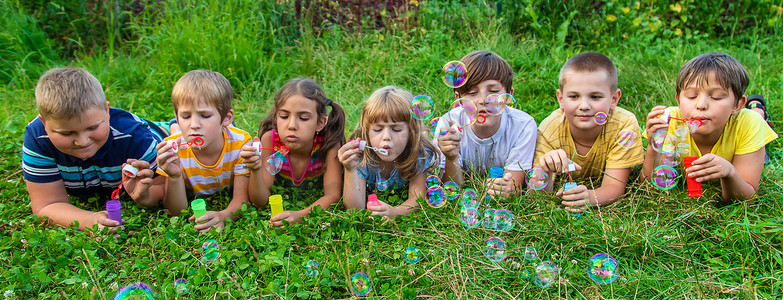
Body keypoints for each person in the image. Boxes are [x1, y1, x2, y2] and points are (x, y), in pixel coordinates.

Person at [23, 67, 165, 231]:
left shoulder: (135, 138)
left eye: (92, 128)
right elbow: (46, 205)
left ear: (107, 111)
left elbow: (163, 189)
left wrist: (145, 196)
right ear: (43, 123)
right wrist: (89, 221)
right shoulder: (38, 139)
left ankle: (172, 127)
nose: (82, 141)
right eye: (66, 133)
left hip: (156, 133)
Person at [642, 52, 777, 201]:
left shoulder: (749, 124)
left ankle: (757, 108)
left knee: (756, 119)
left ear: (737, 105)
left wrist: (730, 173)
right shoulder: (669, 123)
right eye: (692, 96)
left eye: (716, 97)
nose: (701, 105)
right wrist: (653, 145)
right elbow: (649, 187)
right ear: (678, 101)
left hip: (747, 136)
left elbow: (747, 196)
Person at [534, 51, 644, 213]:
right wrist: (545, 169)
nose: (584, 105)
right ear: (560, 99)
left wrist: (589, 197)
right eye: (574, 96)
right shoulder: (550, 128)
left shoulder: (623, 125)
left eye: (595, 97)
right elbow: (536, 193)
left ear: (614, 99)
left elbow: (614, 187)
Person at [155, 69, 252, 232]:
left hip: (228, 135)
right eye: (186, 117)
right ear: (178, 115)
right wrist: (173, 176)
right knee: (177, 136)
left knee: (228, 133)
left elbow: (242, 199)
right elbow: (176, 212)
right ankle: (174, 126)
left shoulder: (241, 144)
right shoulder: (172, 150)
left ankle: (179, 126)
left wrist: (224, 216)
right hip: (181, 140)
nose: (194, 125)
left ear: (227, 117)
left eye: (205, 115)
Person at [240, 78, 345, 227]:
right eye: (284, 116)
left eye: (303, 118)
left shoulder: (329, 143)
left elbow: (333, 195)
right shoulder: (270, 140)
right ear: (276, 118)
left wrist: (301, 215)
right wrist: (255, 169)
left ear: (320, 122)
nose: (292, 125)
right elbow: (260, 202)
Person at [434, 50, 537, 197]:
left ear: (508, 96)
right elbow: (451, 189)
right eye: (472, 92)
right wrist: (451, 157)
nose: (483, 100)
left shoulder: (523, 126)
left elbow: (514, 186)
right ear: (459, 99)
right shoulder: (449, 124)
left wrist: (508, 189)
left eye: (493, 91)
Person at [338, 86, 438, 218]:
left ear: (411, 131)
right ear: (367, 131)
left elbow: (416, 200)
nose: (386, 136)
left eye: (396, 129)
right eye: (378, 129)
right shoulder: (360, 156)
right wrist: (350, 170)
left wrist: (395, 212)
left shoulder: (419, 153)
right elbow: (354, 209)